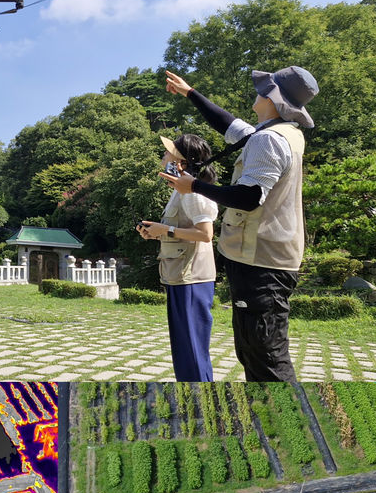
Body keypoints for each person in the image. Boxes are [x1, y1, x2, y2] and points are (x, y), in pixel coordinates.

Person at [160, 66, 319, 382]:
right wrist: (190, 93)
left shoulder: (269, 140)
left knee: (266, 354)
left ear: (272, 98)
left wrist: (192, 186)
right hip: (263, 258)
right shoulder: (279, 133)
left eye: (264, 89)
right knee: (252, 349)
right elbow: (227, 123)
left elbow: (248, 197)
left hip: (261, 262)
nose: (257, 92)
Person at [136, 133, 219, 381]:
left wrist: (167, 230)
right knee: (185, 352)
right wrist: (155, 232)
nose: (164, 155)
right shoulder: (180, 189)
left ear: (181, 160)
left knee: (192, 352)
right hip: (180, 275)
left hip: (192, 277)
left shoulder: (193, 192)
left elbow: (205, 234)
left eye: (169, 152)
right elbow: (181, 231)